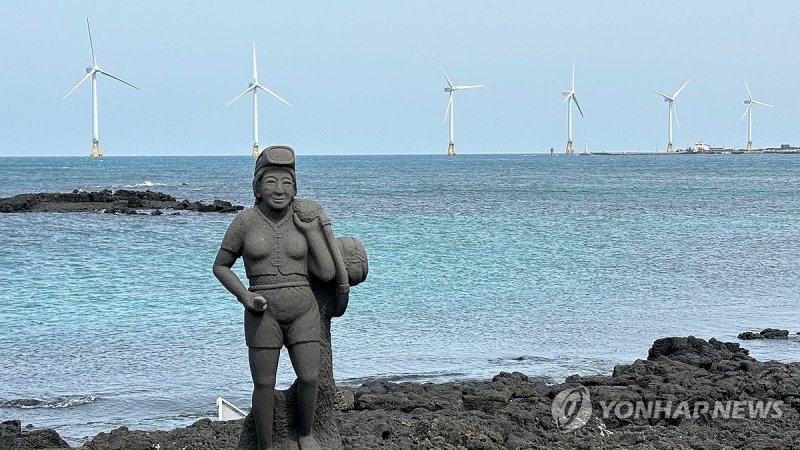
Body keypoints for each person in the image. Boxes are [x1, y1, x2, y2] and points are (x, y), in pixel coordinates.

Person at [213, 146, 335, 450]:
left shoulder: (303, 220)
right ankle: (265, 445)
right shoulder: (244, 222)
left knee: (310, 377)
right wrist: (245, 296)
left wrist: (312, 233)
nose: (279, 190)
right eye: (271, 182)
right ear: (257, 187)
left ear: (295, 188)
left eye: (287, 183)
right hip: (261, 311)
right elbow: (220, 266)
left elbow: (328, 272)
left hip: (302, 309)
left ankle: (306, 434)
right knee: (264, 384)